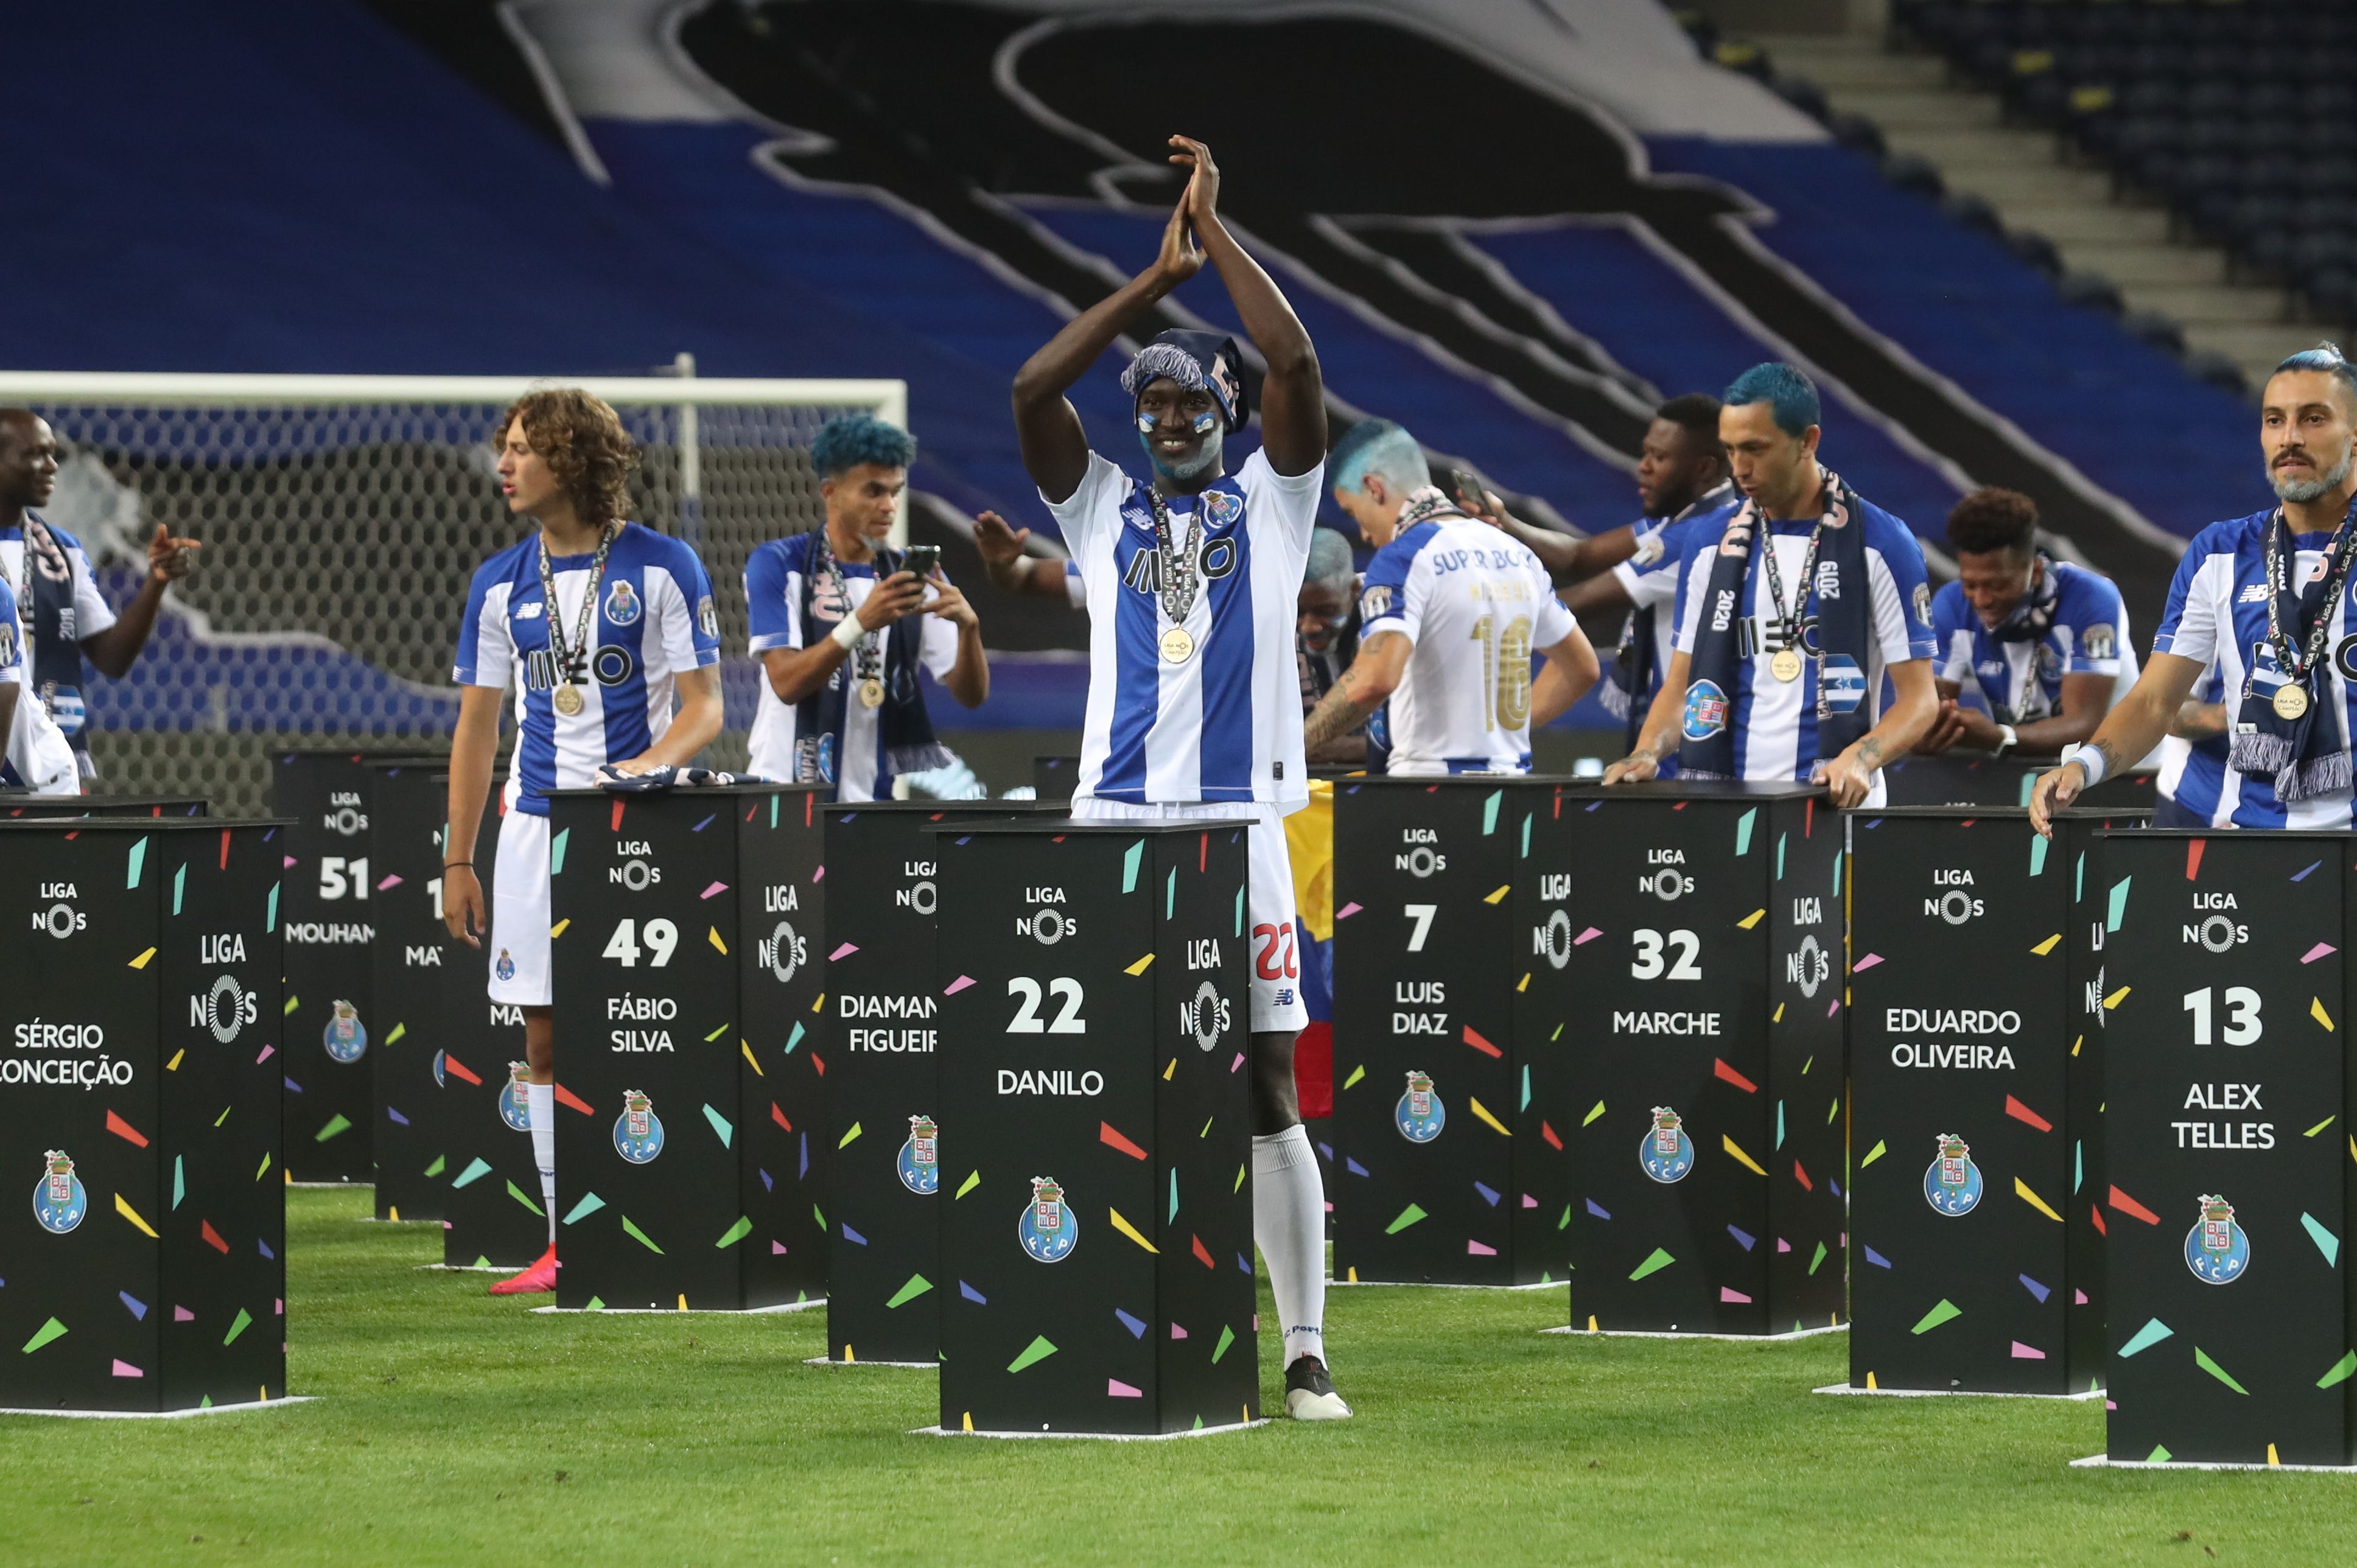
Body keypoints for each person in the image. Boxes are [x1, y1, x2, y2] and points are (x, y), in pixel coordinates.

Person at [1010, 135, 1347, 1420]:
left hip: (1238, 828)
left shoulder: (1274, 506)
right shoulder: (1096, 508)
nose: (1167, 422)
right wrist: (1147, 287)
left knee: (1263, 1079)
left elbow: (1297, 363)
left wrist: (1216, 238)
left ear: (1223, 406)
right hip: (1112, 831)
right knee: (1103, 1073)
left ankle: (1304, 1349)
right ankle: (1098, 1307)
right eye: (1149, 408)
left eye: (1188, 403)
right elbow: (1035, 387)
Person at [441, 388, 725, 1295]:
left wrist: (642, 769)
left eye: (526, 448)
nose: (505, 463)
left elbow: (706, 707)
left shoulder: (664, 565)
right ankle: (568, 1240)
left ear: (574, 459)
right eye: (506, 447)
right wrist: (457, 858)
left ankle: (690, 1216)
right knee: (547, 1039)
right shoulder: (497, 582)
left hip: (636, 830)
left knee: (662, 1030)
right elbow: (477, 733)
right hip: (533, 830)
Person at [2034, 343, 2357, 835]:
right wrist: (2083, 767)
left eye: (2313, 419)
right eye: (2274, 421)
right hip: (2234, 837)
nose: (2289, 438)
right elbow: (2155, 702)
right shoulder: (2219, 552)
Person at [1604, 363, 1938, 808]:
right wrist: (1647, 752)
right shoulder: (1708, 543)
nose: (1739, 469)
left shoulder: (1881, 543)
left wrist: (1860, 757)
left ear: (1808, 441)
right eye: (1730, 449)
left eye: (1755, 449)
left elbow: (1920, 701)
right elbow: (1682, 685)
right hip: (1722, 804)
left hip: (1833, 809)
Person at [1306, 418, 1600, 771]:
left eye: (1353, 513)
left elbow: (1375, 678)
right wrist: (1502, 730)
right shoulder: (1516, 552)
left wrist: (1294, 746)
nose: (1365, 534)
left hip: (1430, 793)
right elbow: (1581, 668)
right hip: (1513, 786)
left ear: (1374, 488)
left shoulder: (1402, 557)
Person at [744, 416, 987, 799]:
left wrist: (970, 630)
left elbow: (970, 695)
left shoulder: (909, 576)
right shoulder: (778, 564)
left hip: (875, 802)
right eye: (873, 491)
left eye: (895, 492)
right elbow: (786, 683)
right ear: (831, 492)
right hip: (784, 795)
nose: (888, 506)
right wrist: (859, 622)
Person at [0, 409, 201, 785]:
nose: (51, 466)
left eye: (53, 453)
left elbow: (112, 658)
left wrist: (155, 584)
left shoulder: (62, 551)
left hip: (49, 764)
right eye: (34, 455)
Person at [1538, 395, 1735, 760]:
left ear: (1704, 469)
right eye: (1645, 453)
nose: (1642, 467)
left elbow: (1578, 603)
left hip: (1684, 744)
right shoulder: (1687, 520)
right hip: (1678, 733)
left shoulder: (1696, 535)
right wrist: (1503, 524)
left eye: (1659, 458)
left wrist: (1488, 613)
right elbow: (1580, 555)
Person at [1917, 487, 2140, 758]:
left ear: (2034, 572)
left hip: (2124, 770)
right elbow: (1926, 708)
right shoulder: (1952, 605)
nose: (1982, 599)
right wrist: (1930, 727)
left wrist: (2001, 736)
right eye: (1970, 584)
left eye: (1997, 585)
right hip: (2021, 767)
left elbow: (2084, 725)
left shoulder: (2091, 598)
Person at [1296, 528, 1367, 765]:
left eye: (1326, 612)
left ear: (1355, 590)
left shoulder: (1387, 619)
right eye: (1297, 612)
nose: (1309, 627)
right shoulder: (1271, 624)